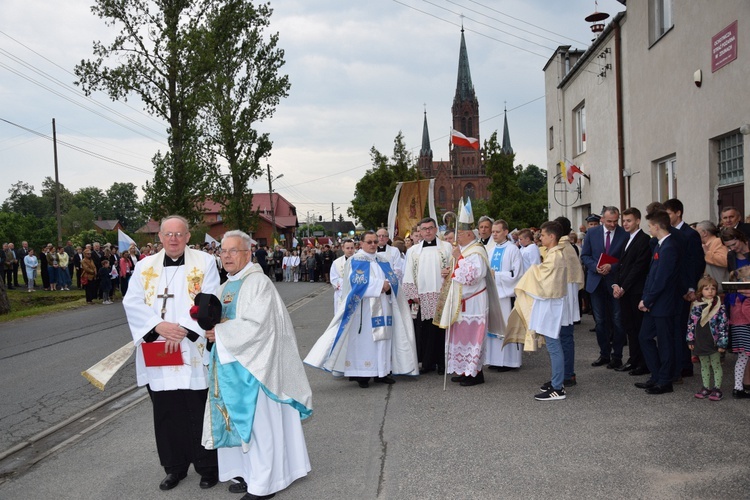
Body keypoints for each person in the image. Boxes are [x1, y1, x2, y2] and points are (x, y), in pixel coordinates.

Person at [202, 230, 312, 500]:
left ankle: (265, 484)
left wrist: (222, 334)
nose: (227, 256)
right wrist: (210, 332)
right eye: (223, 251)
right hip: (231, 367)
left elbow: (260, 327)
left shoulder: (258, 283)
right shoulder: (226, 285)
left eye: (233, 251)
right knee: (239, 427)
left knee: (258, 426)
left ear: (248, 254)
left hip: (256, 370)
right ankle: (248, 474)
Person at [123, 215, 220, 491]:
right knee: (166, 411)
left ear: (188, 236)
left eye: (179, 234)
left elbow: (209, 299)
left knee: (198, 409)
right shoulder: (143, 268)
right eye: (168, 234)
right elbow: (132, 303)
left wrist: (183, 330)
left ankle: (208, 466)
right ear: (160, 237)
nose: (174, 239)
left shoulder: (205, 263)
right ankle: (174, 468)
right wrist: (158, 326)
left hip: (192, 348)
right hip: (158, 348)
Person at [304, 230, 418, 388]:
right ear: (361, 244)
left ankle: (382, 372)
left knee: (384, 340)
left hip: (384, 306)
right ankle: (362, 375)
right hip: (364, 310)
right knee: (365, 342)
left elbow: (394, 279)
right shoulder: (356, 260)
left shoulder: (383, 260)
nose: (373, 245)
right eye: (369, 242)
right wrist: (381, 286)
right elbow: (357, 283)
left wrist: (389, 286)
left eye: (375, 242)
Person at [435, 200, 503, 387]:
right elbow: (456, 273)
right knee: (460, 337)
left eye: (459, 234)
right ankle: (464, 370)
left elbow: (472, 276)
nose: (456, 238)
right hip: (459, 300)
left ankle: (476, 373)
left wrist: (458, 258)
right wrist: (448, 272)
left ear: (466, 234)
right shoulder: (463, 249)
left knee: (473, 338)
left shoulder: (477, 250)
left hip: (473, 301)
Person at [504, 221, 568, 400]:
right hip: (550, 303)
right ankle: (557, 381)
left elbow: (544, 279)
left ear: (552, 237)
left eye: (543, 235)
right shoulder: (553, 254)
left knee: (554, 345)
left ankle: (558, 388)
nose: (540, 237)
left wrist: (533, 269)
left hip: (551, 304)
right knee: (553, 344)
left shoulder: (555, 256)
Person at [635, 210, 681, 395]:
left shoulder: (670, 247)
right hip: (653, 303)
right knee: (644, 337)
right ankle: (656, 375)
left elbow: (662, 279)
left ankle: (665, 381)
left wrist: (648, 299)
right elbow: (651, 275)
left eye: (650, 225)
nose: (649, 229)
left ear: (657, 226)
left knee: (665, 342)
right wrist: (645, 298)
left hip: (663, 303)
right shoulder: (660, 245)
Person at [402, 218, 453, 375]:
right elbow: (408, 272)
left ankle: (443, 363)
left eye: (431, 228)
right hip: (421, 296)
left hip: (442, 294)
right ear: (420, 231)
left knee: (441, 329)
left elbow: (456, 266)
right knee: (424, 330)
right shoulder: (413, 251)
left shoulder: (447, 247)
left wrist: (450, 272)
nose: (428, 231)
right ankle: (427, 362)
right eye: (424, 229)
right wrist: (413, 293)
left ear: (436, 229)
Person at [580, 206, 628, 369]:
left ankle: (617, 356)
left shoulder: (624, 234)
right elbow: (585, 255)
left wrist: (611, 267)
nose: (613, 224)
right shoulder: (592, 233)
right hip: (596, 282)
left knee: (617, 320)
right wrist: (595, 267)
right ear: (602, 219)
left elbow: (626, 259)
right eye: (609, 221)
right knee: (600, 321)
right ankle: (604, 354)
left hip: (615, 282)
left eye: (615, 221)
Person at [611, 208, 652, 375]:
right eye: (624, 221)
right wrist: (616, 284)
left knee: (638, 327)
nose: (625, 224)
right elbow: (621, 265)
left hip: (635, 291)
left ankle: (643, 362)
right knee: (629, 327)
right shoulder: (627, 239)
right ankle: (633, 359)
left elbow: (638, 267)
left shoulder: (643, 240)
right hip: (625, 291)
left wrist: (624, 287)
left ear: (637, 221)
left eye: (629, 220)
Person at [484, 219, 523, 372]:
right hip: (493, 295)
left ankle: (508, 361)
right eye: (493, 232)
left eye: (497, 231)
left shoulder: (513, 249)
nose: (494, 234)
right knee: (493, 327)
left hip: (506, 297)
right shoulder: (491, 250)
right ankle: (494, 360)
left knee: (506, 327)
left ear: (506, 232)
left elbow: (517, 274)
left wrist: (497, 275)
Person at [686, 275, 727, 401]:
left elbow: (723, 326)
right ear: (700, 291)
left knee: (715, 365)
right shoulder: (697, 306)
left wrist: (722, 344)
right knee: (704, 365)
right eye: (707, 289)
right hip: (701, 341)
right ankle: (706, 387)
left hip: (713, 342)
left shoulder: (719, 307)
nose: (710, 291)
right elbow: (691, 324)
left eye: (713, 289)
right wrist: (690, 339)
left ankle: (717, 388)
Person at [726, 265, 750, 399]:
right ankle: (738, 388)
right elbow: (747, 312)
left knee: (742, 358)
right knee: (743, 358)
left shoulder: (735, 294)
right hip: (745, 327)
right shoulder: (745, 296)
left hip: (737, 328)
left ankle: (738, 388)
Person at [696, 220, 729, 291]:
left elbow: (725, 260)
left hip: (718, 286)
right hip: (708, 287)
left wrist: (707, 253)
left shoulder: (718, 241)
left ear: (704, 233)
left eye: (697, 232)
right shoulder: (706, 244)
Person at [330, 239, 355, 315]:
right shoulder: (336, 263)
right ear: (343, 248)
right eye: (347, 248)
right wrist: (346, 284)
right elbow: (334, 279)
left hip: (356, 293)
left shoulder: (360, 261)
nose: (350, 250)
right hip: (341, 294)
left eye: (352, 248)